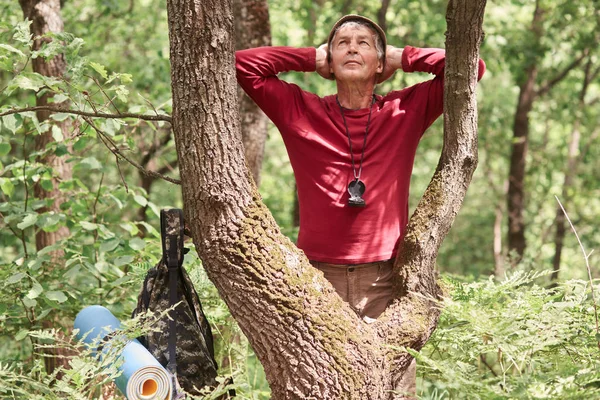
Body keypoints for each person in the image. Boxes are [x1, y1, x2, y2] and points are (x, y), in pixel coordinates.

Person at [236, 14, 485, 398]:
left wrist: (402, 56)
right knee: (317, 389)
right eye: (342, 43)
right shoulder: (300, 111)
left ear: (380, 64)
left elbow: (473, 67)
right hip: (317, 281)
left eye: (364, 43)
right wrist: (308, 57)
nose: (352, 47)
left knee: (391, 391)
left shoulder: (404, 111)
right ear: (330, 62)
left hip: (385, 283)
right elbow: (243, 65)